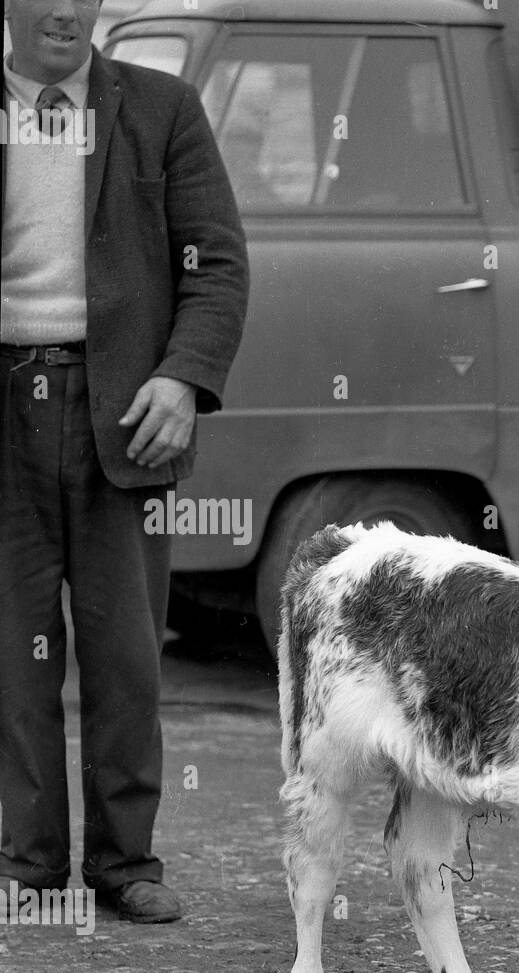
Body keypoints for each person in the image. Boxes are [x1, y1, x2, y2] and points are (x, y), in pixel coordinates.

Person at [0, 0, 249, 923]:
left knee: (125, 655)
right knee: (12, 654)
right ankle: (24, 866)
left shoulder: (161, 108)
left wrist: (184, 380)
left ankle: (124, 863)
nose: (66, 9)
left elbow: (217, 265)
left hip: (123, 417)